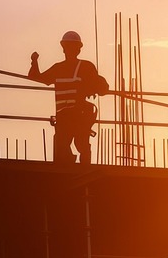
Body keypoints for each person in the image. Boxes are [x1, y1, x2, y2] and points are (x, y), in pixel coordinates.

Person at [28, 31, 108, 164]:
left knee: (78, 144)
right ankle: (75, 165)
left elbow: (102, 87)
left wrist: (93, 88)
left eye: (70, 47)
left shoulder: (83, 67)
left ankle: (81, 168)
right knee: (64, 146)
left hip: (77, 115)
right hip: (65, 116)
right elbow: (36, 77)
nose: (69, 50)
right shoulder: (62, 68)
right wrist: (34, 62)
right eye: (68, 47)